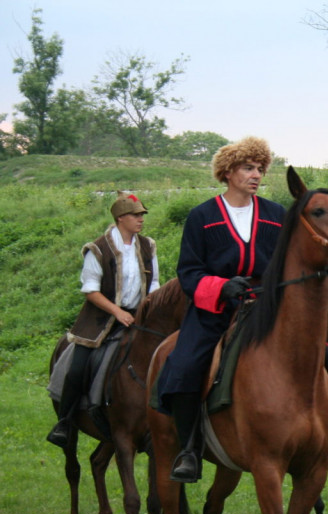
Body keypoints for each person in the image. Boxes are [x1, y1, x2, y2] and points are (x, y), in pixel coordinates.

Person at [157, 137, 285, 483]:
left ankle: (323, 438)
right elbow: (188, 272)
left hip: (265, 309)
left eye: (260, 168)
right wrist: (222, 287)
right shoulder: (202, 216)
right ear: (228, 172)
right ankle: (189, 449)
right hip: (215, 310)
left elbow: (288, 265)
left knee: (326, 356)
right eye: (248, 168)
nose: (256, 174)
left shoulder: (276, 215)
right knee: (184, 366)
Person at [47, 192, 160, 447]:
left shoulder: (147, 245)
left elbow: (153, 283)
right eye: (135, 215)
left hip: (139, 316)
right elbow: (90, 290)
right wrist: (117, 312)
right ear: (121, 218)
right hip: (100, 319)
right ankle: (65, 421)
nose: (141, 219)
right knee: (77, 368)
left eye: (142, 214)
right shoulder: (98, 248)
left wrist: (145, 309)